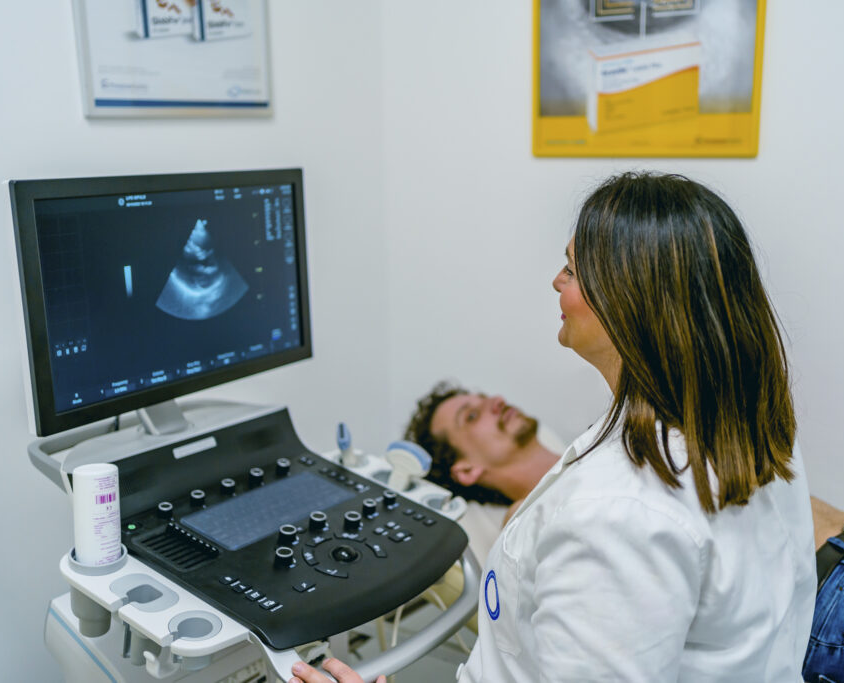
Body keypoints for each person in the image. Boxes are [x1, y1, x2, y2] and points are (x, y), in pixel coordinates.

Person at [291, 171, 816, 682]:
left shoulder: (614, 517)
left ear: (627, 299)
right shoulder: (747, 425)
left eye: (572, 269)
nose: (556, 282)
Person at [405, 382, 844, 683]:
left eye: (481, 397)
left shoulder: (604, 440)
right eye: (471, 417)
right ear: (465, 472)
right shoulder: (539, 518)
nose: (493, 403)